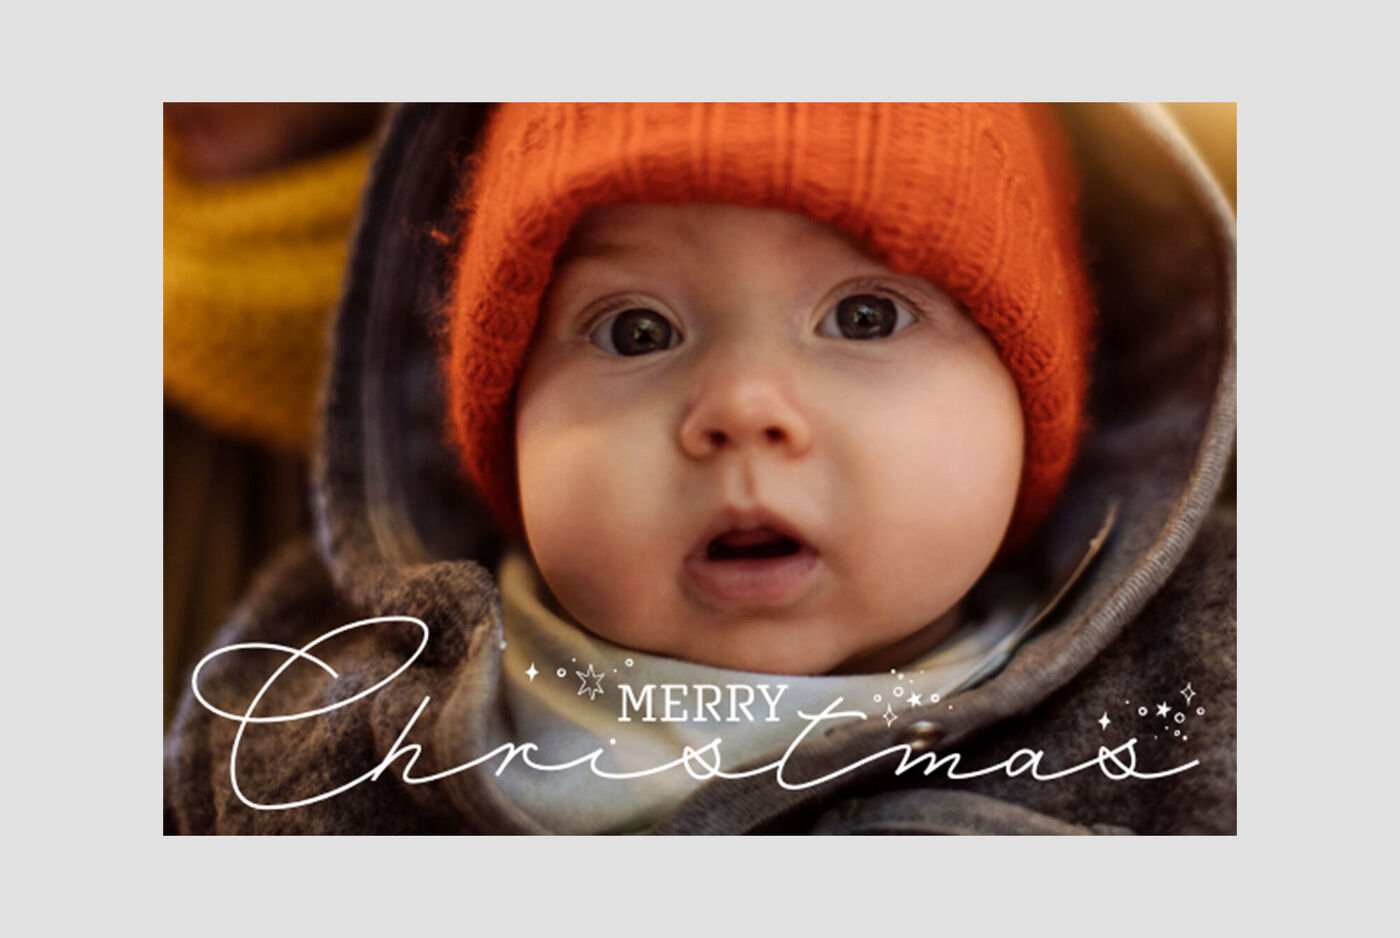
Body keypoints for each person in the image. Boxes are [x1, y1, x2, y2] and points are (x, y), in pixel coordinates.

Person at [165, 103, 1236, 835]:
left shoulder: (1189, 693)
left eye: (863, 316)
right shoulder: (329, 698)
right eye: (633, 330)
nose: (739, 408)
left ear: (1032, 403)